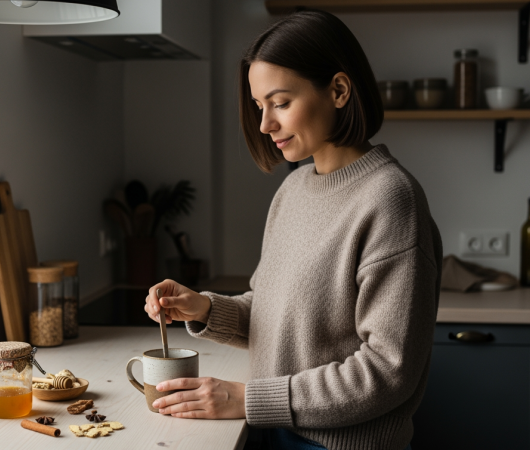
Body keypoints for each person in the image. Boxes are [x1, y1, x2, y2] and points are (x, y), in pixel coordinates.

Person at [143, 9, 442, 450]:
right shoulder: (294, 188)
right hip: (271, 432)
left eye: (280, 103)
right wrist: (204, 308)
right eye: (259, 106)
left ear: (339, 90)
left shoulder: (391, 200)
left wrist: (247, 399)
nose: (265, 125)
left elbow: (387, 371)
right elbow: (277, 318)